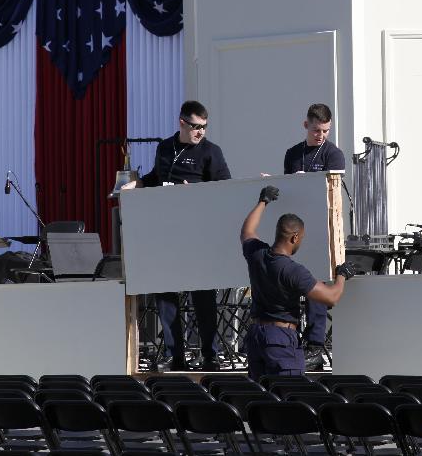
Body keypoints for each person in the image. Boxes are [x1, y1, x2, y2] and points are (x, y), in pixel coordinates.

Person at [122, 100, 231, 371]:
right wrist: (136, 184)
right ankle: (175, 354)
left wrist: (195, 191)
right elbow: (157, 177)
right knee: (165, 293)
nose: (200, 132)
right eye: (195, 127)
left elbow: (226, 189)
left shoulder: (211, 152)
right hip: (166, 232)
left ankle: (210, 354)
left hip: (198, 234)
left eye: (204, 127)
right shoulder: (164, 147)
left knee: (203, 296)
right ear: (182, 123)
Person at [240, 185, 355, 380]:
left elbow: (247, 230)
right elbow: (332, 297)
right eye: (301, 238)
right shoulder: (293, 271)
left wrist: (263, 201)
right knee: (289, 398)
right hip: (280, 340)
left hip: (256, 336)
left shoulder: (257, 254)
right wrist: (342, 275)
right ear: (294, 237)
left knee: (260, 396)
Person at [283, 103, 345, 369]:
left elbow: (333, 190)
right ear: (305, 125)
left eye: (326, 130)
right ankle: (291, 339)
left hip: (322, 228)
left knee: (316, 286)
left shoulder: (333, 154)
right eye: (318, 130)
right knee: (291, 282)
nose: (322, 135)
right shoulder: (293, 154)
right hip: (296, 230)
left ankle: (316, 345)